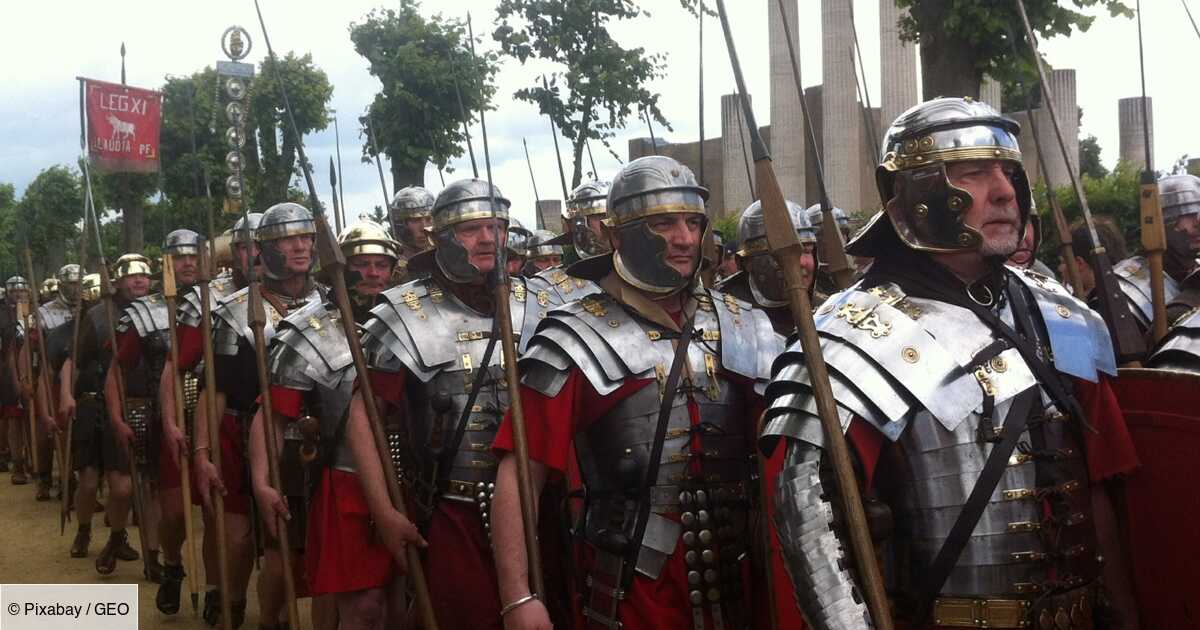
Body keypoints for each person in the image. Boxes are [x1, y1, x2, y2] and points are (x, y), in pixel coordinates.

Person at [762, 97, 1140, 629]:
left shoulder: (1057, 312)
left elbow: (1104, 483)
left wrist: (1124, 612)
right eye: (975, 173)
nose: (1007, 190)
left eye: (1008, 171)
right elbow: (808, 520)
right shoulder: (847, 338)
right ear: (918, 196)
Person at [491, 155, 782, 630]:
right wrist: (518, 597)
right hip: (633, 581)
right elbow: (521, 473)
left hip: (741, 572)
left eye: (693, 222)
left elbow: (782, 457)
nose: (685, 238)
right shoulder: (575, 335)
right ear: (618, 232)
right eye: (664, 223)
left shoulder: (742, 322)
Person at [343, 178, 547, 630]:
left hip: (541, 502)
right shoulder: (403, 312)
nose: (489, 238)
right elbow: (366, 416)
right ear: (440, 238)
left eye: (497, 226)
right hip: (455, 506)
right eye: (472, 229)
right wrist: (384, 510)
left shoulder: (543, 303)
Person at [252, 221, 402, 629]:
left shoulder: (414, 320)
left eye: (380, 264)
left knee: (404, 605)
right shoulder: (307, 331)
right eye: (361, 265)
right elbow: (274, 415)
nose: (372, 273)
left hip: (415, 482)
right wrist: (263, 481)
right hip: (345, 482)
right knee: (362, 606)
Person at [206, 203, 325, 630]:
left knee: (309, 548)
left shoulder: (331, 303)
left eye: (306, 237)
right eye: (288, 239)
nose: (300, 246)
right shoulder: (235, 312)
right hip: (251, 436)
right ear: (266, 249)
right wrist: (204, 452)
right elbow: (214, 391)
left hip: (319, 438)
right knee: (263, 548)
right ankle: (252, 611)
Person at [111, 230, 204, 613]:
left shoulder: (223, 301)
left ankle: (216, 590)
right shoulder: (144, 311)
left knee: (218, 511)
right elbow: (117, 369)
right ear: (165, 262)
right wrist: (117, 417)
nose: (187, 263)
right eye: (178, 257)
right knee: (175, 512)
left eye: (193, 256)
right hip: (164, 418)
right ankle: (172, 563)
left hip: (215, 417)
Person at [181, 213, 258, 629]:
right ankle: (226, 594)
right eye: (246, 247)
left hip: (295, 429)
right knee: (232, 531)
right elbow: (195, 373)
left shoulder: (317, 299)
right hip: (231, 423)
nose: (256, 255)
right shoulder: (216, 303)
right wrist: (200, 446)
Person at [59, 255, 149, 576]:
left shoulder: (155, 313)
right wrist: (67, 395)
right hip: (92, 404)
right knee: (87, 483)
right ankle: (83, 530)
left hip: (131, 409)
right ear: (118, 280)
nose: (138, 281)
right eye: (131, 276)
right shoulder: (97, 317)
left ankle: (116, 536)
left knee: (123, 488)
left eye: (144, 276)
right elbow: (74, 361)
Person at [1112, 173, 1200, 332]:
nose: (1198, 222)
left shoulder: (1195, 273)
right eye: (1188, 213)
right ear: (1163, 220)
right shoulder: (1124, 288)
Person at [715, 198, 817, 334]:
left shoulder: (824, 311)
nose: (801, 262)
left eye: (807, 251)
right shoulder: (719, 314)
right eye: (780, 253)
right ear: (747, 262)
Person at [388, 186, 435, 285]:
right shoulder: (389, 264)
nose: (424, 227)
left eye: (428, 219)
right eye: (415, 220)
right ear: (400, 224)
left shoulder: (447, 256)